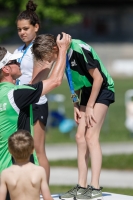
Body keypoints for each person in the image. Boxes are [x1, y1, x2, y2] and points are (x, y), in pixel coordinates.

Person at [31, 35, 115, 200]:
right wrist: (76, 105)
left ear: (54, 49)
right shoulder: (63, 55)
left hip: (103, 88)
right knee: (79, 137)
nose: (49, 62)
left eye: (48, 58)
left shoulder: (76, 49)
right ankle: (81, 186)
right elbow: (74, 81)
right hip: (87, 91)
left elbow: (98, 78)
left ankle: (95, 187)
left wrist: (90, 107)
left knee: (91, 136)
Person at [0, 32, 71, 199]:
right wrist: (62, 50)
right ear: (6, 69)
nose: (18, 62)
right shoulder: (16, 94)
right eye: (13, 61)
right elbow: (55, 82)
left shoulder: (10, 94)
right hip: (17, 177)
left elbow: (34, 87)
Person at [14, 0, 52, 183]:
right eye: (19, 29)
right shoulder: (18, 50)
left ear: (36, 27)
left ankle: (44, 192)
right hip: (21, 103)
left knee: (38, 149)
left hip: (37, 102)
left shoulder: (40, 46)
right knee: (22, 149)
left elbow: (46, 69)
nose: (22, 32)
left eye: (26, 28)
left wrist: (30, 86)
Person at [0, 129, 53, 200]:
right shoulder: (39, 171)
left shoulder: (5, 173)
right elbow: (47, 198)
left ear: (10, 150)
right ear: (32, 150)